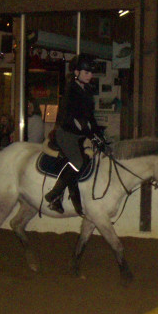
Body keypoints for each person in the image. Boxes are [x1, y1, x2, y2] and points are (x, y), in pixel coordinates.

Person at [44, 54, 110, 216]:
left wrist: (99, 134)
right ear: (76, 72)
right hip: (67, 133)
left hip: (79, 134)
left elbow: (90, 117)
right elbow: (72, 119)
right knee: (78, 161)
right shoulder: (71, 90)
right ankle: (54, 194)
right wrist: (89, 133)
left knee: (90, 158)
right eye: (86, 72)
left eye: (91, 73)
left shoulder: (86, 90)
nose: (90, 75)